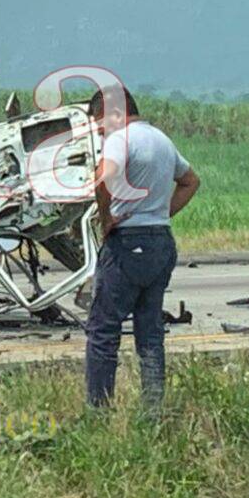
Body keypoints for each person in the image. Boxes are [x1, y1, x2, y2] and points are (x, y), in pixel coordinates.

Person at [86, 86, 201, 412]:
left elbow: (100, 181)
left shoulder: (120, 140)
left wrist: (106, 220)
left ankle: (98, 414)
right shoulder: (161, 139)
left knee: (103, 332)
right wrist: (162, 213)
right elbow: (191, 181)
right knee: (149, 333)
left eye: (99, 125)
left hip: (128, 243)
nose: (100, 133)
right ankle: (152, 412)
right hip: (161, 242)